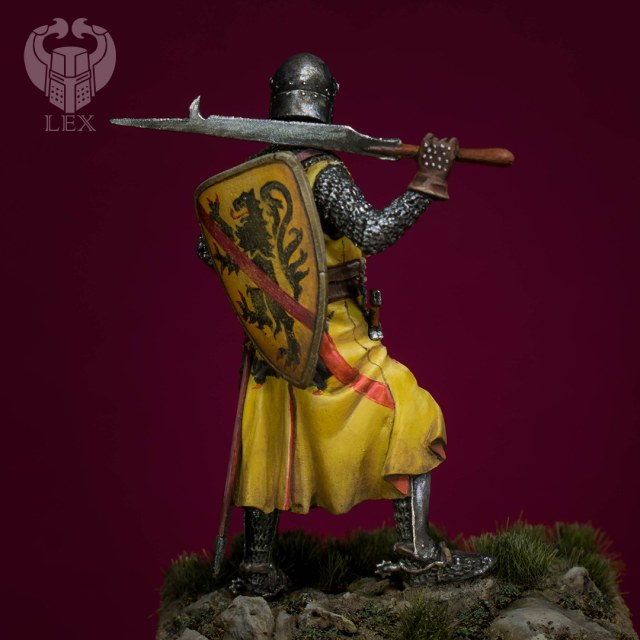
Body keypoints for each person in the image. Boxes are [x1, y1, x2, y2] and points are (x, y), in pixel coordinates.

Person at [197, 53, 494, 597]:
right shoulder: (321, 172)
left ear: (274, 95)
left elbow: (209, 246)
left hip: (272, 337)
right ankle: (417, 552)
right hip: (326, 333)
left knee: (271, 437)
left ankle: (258, 566)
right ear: (329, 100)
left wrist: (268, 295)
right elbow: (373, 232)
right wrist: (428, 179)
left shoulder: (254, 173)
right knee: (411, 411)